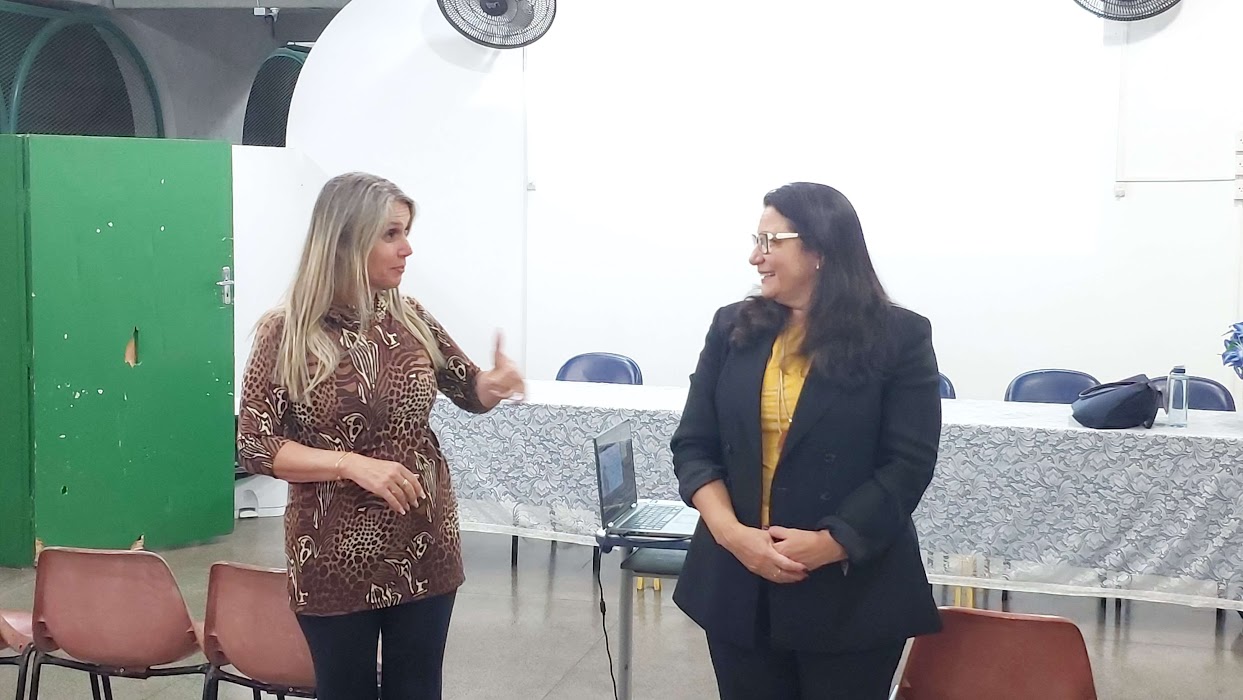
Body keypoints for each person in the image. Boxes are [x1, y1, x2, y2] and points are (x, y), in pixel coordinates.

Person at [236, 172, 525, 700]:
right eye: (391, 234)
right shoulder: (286, 332)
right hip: (333, 555)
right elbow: (254, 443)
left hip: (425, 542)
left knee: (418, 690)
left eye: (406, 233)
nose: (407, 248)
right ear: (344, 240)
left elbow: (468, 389)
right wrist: (349, 463)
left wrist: (493, 384)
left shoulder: (409, 317)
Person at [670, 182, 942, 699]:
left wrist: (831, 543)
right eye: (756, 240)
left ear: (820, 249)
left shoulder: (898, 336)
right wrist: (733, 535)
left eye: (770, 241)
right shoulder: (732, 327)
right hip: (739, 584)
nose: (755, 257)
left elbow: (907, 464)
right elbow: (694, 445)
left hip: (850, 591)